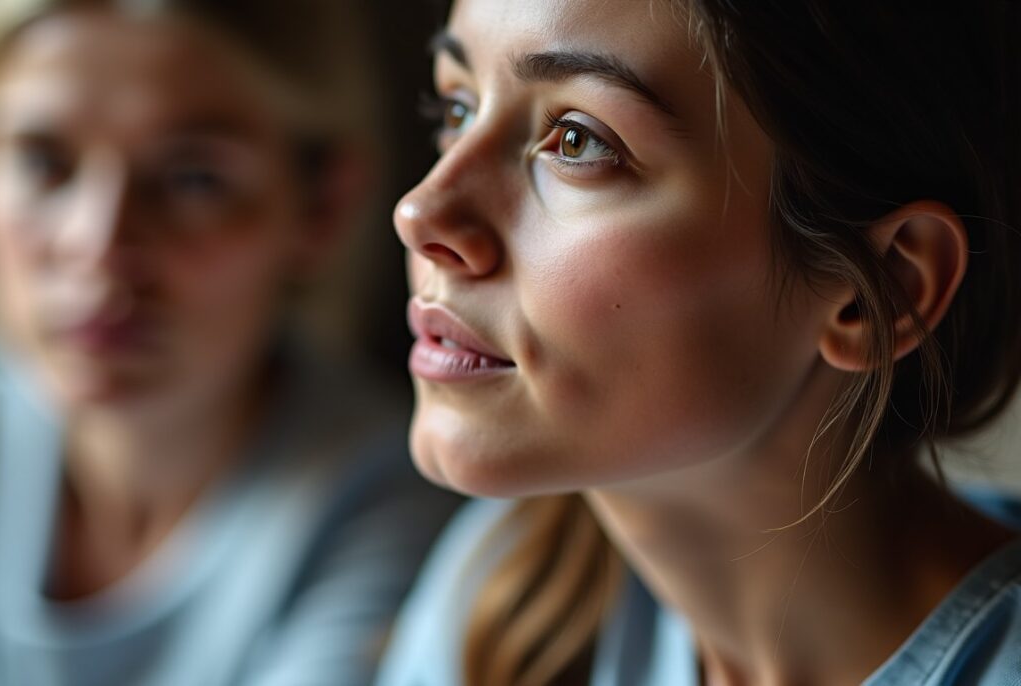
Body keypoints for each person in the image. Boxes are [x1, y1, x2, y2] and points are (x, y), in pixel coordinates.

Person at [376, 1, 1021, 684]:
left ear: (878, 290)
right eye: (457, 109)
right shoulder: (504, 593)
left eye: (578, 140)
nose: (420, 211)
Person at [0, 1, 460, 684]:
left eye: (193, 179)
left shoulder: (386, 508)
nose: (99, 246)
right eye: (44, 163)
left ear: (322, 204)